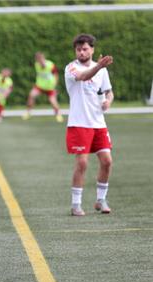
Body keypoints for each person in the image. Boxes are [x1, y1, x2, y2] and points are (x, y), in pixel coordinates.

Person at [64, 33, 114, 216]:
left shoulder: (102, 70)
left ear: (92, 49)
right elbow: (84, 77)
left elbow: (109, 92)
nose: (82, 53)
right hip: (79, 123)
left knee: (107, 161)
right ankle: (76, 204)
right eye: (79, 49)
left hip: (98, 123)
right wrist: (99, 65)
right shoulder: (71, 68)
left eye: (85, 49)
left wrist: (108, 100)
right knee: (82, 163)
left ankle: (101, 200)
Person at [23, 52, 64, 122]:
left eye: (41, 59)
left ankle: (58, 115)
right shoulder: (36, 65)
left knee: (53, 102)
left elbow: (56, 75)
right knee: (31, 95)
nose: (40, 61)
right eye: (38, 59)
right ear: (36, 60)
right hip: (39, 86)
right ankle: (28, 112)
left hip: (50, 87)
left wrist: (55, 85)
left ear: (43, 58)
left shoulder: (50, 65)